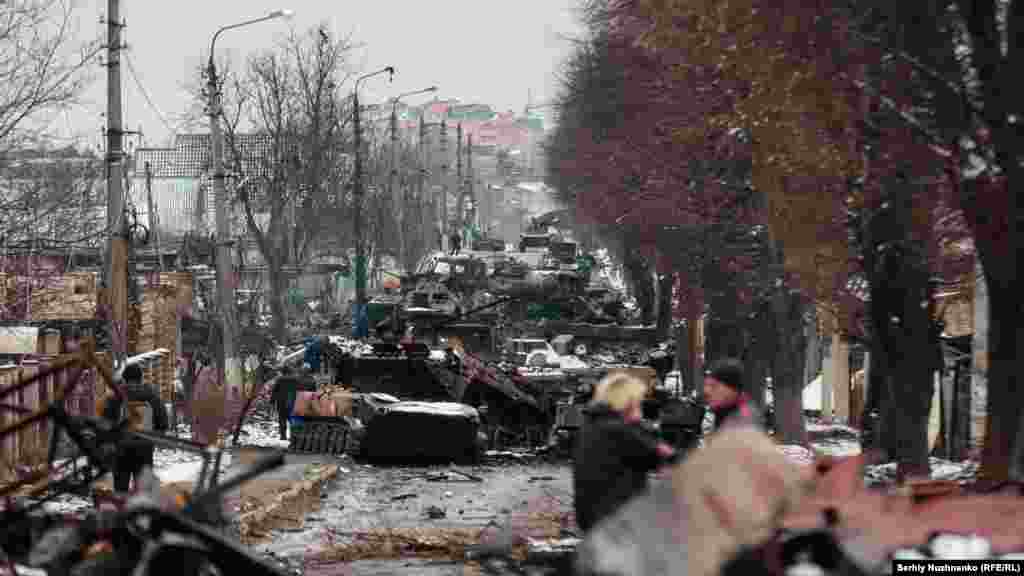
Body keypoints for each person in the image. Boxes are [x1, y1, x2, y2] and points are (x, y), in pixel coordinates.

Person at [573, 372, 676, 533]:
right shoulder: (616, 430)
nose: (640, 405)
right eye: (638, 400)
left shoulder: (593, 424)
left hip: (594, 517)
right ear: (627, 402)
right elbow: (659, 455)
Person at [102, 364, 169, 492]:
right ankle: (141, 510)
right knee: (143, 490)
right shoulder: (151, 395)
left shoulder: (116, 396)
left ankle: (122, 510)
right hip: (145, 448)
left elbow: (106, 422)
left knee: (121, 489)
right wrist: (155, 437)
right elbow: (163, 422)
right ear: (141, 378)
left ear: (124, 378)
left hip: (122, 449)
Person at [703, 357, 762, 431]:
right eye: (707, 385)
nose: (707, 391)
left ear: (731, 389)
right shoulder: (720, 409)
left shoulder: (745, 416)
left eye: (714, 386)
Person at [271, 366, 302, 441]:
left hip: (281, 402)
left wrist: (272, 401)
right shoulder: (295, 379)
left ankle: (283, 436)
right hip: (292, 401)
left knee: (282, 419)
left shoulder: (279, 379)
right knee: (292, 419)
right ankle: (293, 436)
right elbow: (300, 390)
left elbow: (275, 391)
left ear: (283, 372)